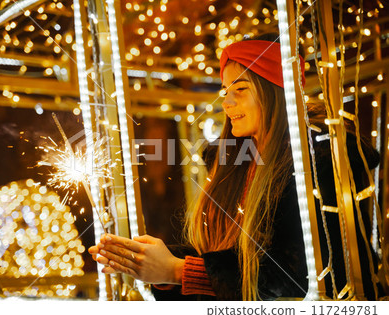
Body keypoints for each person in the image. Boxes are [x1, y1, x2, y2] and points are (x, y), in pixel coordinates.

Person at [89, 33, 382, 300]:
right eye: (226, 90)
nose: (226, 102)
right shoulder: (238, 164)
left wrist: (178, 270)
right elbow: (229, 255)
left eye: (239, 89)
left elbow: (296, 274)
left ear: (274, 91)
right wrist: (149, 261)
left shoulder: (318, 163)